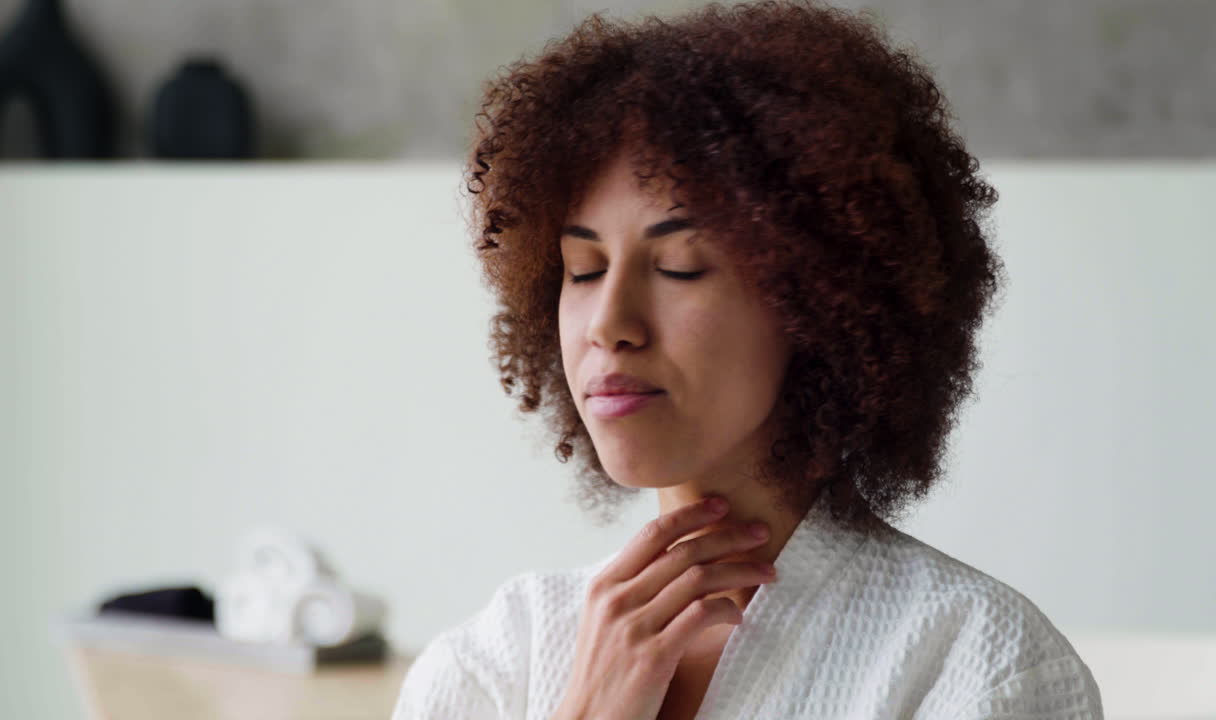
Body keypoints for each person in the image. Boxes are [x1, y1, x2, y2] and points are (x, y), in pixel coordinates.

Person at [392, 1, 1103, 718]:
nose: (608, 324)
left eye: (679, 266)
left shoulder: (977, 663)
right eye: (583, 269)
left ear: (819, 298)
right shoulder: (491, 663)